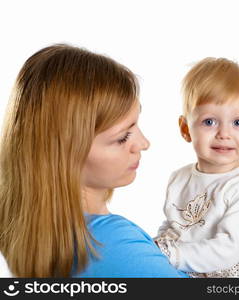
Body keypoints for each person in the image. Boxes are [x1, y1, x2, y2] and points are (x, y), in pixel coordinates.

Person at [0, 44, 188, 278]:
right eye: (123, 137)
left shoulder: (23, 235)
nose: (143, 143)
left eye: (136, 125)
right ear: (66, 154)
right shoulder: (109, 245)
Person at [154, 58, 239, 277]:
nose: (224, 134)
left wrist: (173, 255)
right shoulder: (179, 178)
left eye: (238, 123)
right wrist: (156, 248)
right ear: (185, 129)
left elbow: (230, 247)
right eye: (209, 122)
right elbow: (174, 225)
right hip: (188, 269)